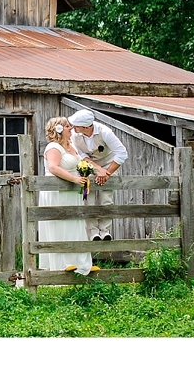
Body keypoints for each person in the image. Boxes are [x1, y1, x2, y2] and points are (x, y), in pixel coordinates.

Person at [38, 117, 100, 275]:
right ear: (58, 129)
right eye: (67, 126)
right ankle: (62, 264)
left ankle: (82, 263)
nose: (71, 128)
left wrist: (86, 174)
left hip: (72, 192)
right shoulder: (53, 147)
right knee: (61, 225)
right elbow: (53, 167)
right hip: (57, 192)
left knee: (76, 224)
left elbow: (79, 164)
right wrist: (74, 179)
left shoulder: (70, 146)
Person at [68, 109, 128, 241]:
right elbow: (80, 155)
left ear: (86, 127)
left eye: (76, 125)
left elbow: (122, 153)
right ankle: (93, 233)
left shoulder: (105, 132)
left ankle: (105, 231)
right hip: (87, 166)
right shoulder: (73, 135)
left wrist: (106, 173)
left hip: (108, 166)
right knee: (88, 199)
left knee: (106, 199)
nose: (73, 128)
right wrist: (97, 169)